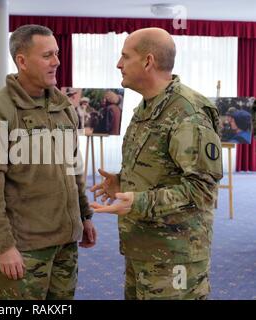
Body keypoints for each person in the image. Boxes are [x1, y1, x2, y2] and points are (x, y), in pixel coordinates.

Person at [0, 24, 97, 300]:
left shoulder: (62, 107)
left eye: (57, 54)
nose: (56, 61)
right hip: (23, 248)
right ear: (22, 61)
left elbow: (73, 168)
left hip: (65, 244)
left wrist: (84, 216)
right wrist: (2, 246)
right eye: (47, 55)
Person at [90, 28, 223, 300]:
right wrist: (122, 182)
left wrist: (139, 202)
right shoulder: (147, 107)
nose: (118, 64)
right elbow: (159, 169)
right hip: (143, 247)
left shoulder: (188, 112)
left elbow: (203, 191)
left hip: (175, 255)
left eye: (125, 57)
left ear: (148, 61)